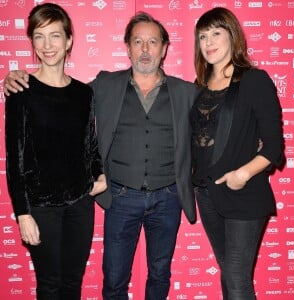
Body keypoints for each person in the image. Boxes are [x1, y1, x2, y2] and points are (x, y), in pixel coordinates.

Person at [4, 11, 199, 300]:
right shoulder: (104, 86)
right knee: (114, 279)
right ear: (127, 47)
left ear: (165, 48)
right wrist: (13, 76)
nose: (145, 49)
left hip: (168, 198)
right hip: (121, 199)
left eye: (152, 42)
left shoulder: (188, 92)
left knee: (160, 274)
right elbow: (60, 98)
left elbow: (217, 121)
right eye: (137, 42)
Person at [5, 3, 107, 300]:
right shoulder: (21, 91)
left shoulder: (82, 93)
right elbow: (16, 158)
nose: (47, 45)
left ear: (69, 41)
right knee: (49, 286)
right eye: (39, 36)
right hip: (40, 207)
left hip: (80, 205)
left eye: (55, 36)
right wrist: (23, 214)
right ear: (32, 42)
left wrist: (98, 173)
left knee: (72, 284)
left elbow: (91, 143)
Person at [190, 7, 284, 300]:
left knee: (236, 278)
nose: (209, 42)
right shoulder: (200, 87)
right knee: (229, 273)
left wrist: (242, 174)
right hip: (206, 193)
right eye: (203, 36)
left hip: (243, 192)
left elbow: (274, 147)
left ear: (232, 35)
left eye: (216, 33)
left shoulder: (254, 80)